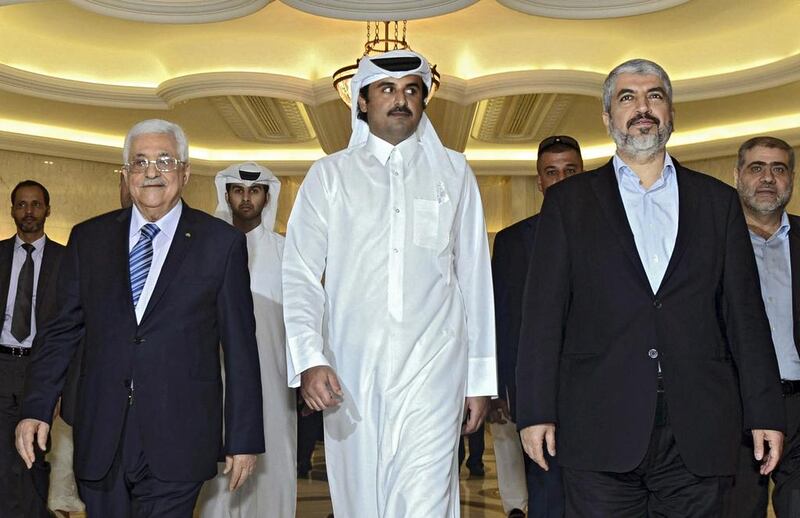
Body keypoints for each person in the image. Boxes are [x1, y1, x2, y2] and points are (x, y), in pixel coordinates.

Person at [516, 59, 786, 517]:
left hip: (698, 428)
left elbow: (746, 316)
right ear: (607, 118)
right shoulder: (569, 203)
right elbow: (543, 314)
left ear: (671, 113)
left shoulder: (716, 202)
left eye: (654, 96)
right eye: (628, 98)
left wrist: (764, 411)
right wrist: (535, 409)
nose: (643, 108)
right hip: (599, 423)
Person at [282, 49, 497, 517]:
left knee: (425, 500)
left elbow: (475, 277)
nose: (400, 100)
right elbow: (299, 274)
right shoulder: (329, 176)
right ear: (362, 102)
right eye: (386, 89)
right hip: (351, 373)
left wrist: (478, 379)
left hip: (435, 370)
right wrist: (309, 359)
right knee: (361, 501)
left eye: (411, 91)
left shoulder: (455, 173)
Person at [15, 119, 265, 517]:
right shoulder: (88, 239)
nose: (151, 171)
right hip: (101, 433)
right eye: (140, 162)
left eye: (164, 161)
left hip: (180, 434)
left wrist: (243, 437)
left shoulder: (220, 243)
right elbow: (60, 332)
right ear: (126, 174)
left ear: (184, 172)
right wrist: (36, 407)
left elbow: (240, 348)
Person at [490, 135, 584, 518]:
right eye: (552, 172)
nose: (561, 180)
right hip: (539, 394)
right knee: (546, 492)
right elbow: (503, 315)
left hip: (601, 392)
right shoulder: (514, 241)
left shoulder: (616, 235)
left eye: (570, 171)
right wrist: (499, 389)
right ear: (539, 182)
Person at [197, 162, 296, 517]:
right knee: (218, 460)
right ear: (227, 195)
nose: (246, 198)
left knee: (276, 455)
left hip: (273, 378)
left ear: (267, 197)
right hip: (217, 376)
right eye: (238, 190)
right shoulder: (207, 248)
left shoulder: (287, 252)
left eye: (254, 191)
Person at [723, 136, 799, 518]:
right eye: (757, 168)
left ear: (791, 180)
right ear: (737, 175)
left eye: (779, 169)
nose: (768, 178)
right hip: (736, 409)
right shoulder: (713, 244)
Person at [0, 180, 64, 518]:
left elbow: (74, 329)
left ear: (47, 210)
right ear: (12, 210)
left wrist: (62, 387)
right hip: (2, 364)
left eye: (36, 204)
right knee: (2, 460)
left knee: (34, 458)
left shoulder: (67, 260)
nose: (29, 211)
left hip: (42, 371)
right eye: (21, 204)